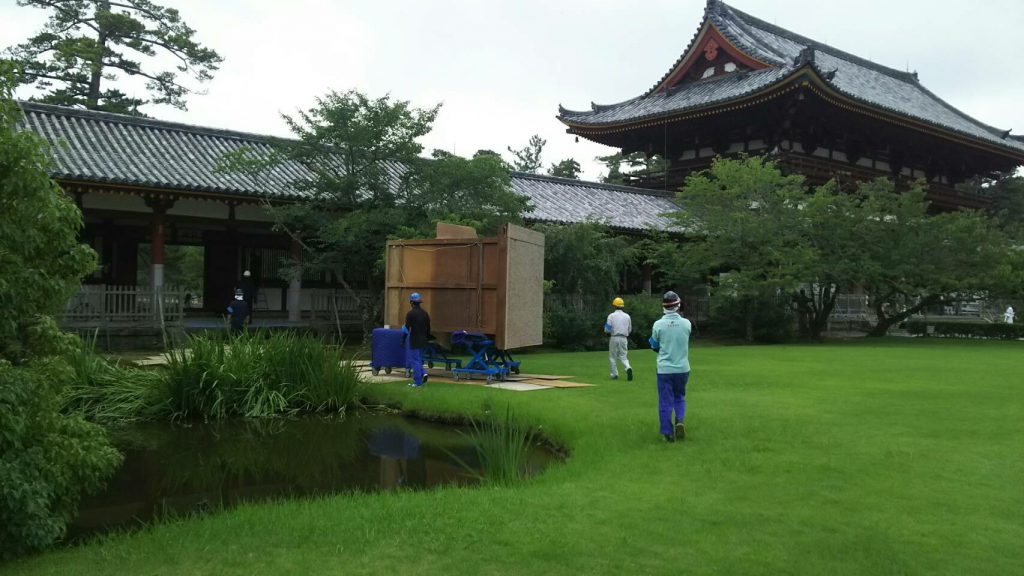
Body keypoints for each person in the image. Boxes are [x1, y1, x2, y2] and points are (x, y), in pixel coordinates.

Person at [648, 291, 692, 443]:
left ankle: (667, 433)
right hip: (683, 368)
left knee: (665, 401)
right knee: (679, 397)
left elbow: (654, 345)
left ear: (664, 307)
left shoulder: (658, 325)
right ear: (678, 305)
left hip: (665, 369)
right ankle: (679, 420)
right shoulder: (687, 324)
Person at [404, 292, 431, 388]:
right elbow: (428, 327)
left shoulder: (410, 314)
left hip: (414, 339)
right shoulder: (425, 313)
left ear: (411, 302)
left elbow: (406, 328)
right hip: (423, 339)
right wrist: (427, 337)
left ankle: (417, 382)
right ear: (419, 302)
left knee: (414, 360)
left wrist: (402, 340)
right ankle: (423, 373)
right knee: (418, 358)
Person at [605, 296, 633, 381]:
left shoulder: (611, 316)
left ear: (614, 306)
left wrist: (607, 331)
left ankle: (614, 374)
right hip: (624, 338)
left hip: (614, 337)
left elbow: (607, 329)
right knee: (624, 356)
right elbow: (630, 329)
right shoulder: (627, 316)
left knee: (613, 357)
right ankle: (628, 367)